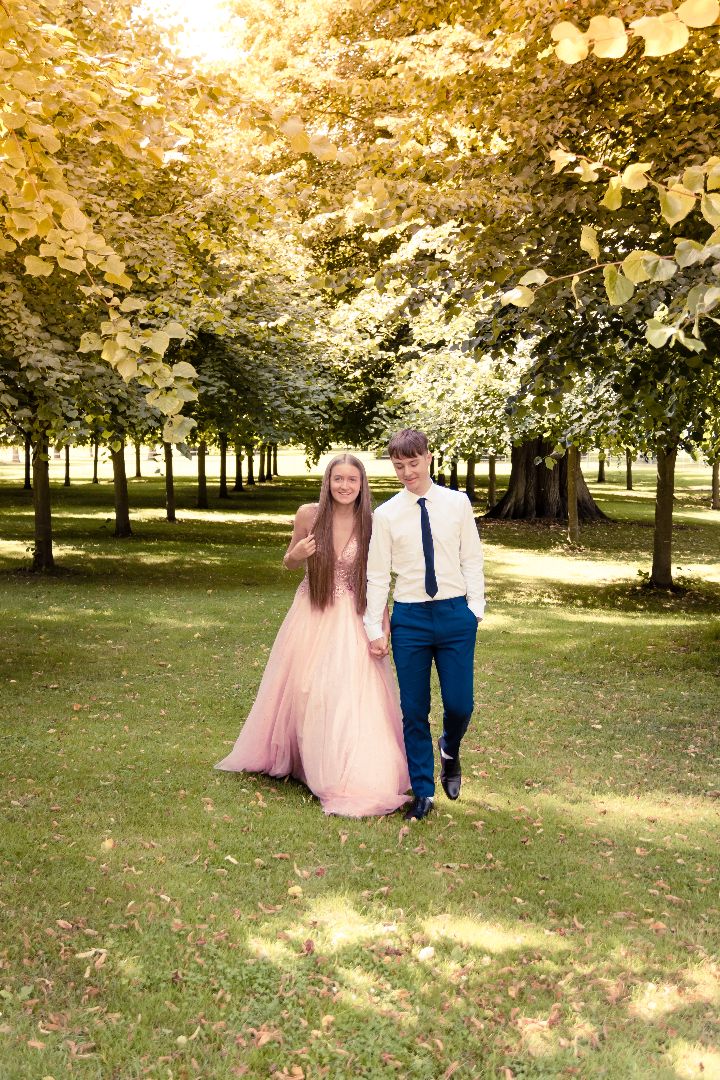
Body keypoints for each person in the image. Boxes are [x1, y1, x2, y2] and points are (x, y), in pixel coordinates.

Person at [215, 453, 410, 817]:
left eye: (352, 479)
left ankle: (349, 766)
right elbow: (288, 561)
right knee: (305, 686)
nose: (345, 486)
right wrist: (298, 552)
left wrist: (381, 624)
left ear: (361, 483)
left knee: (348, 691)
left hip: (352, 615)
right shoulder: (309, 515)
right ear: (328, 481)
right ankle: (304, 757)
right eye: (339, 479)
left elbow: (377, 579)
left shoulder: (371, 522)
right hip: (311, 612)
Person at [364, 429, 485, 821]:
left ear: (429, 457)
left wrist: (475, 610)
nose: (406, 472)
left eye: (413, 463)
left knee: (459, 704)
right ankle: (423, 790)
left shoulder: (457, 503)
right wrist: (374, 628)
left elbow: (472, 559)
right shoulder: (385, 515)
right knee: (413, 709)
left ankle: (449, 748)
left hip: (454, 615)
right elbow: (378, 575)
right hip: (411, 618)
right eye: (399, 466)